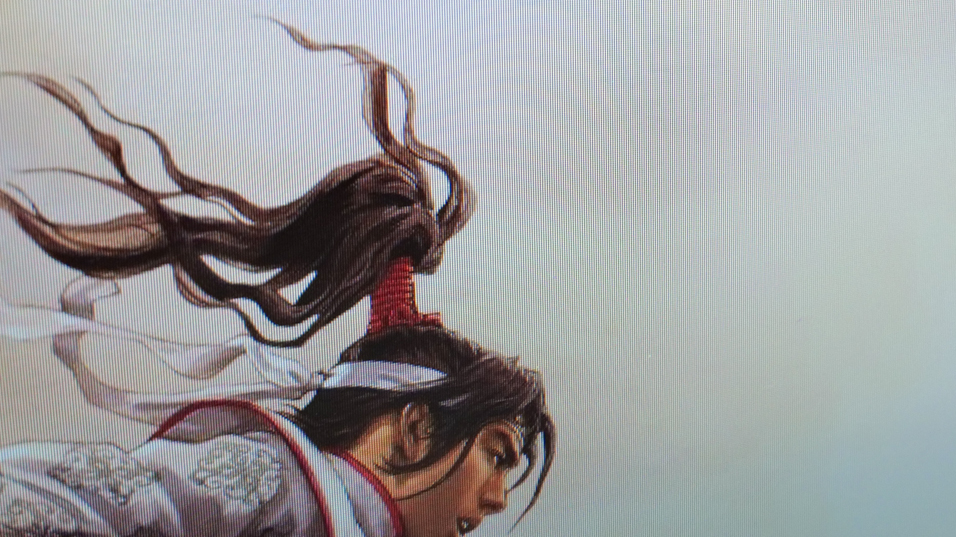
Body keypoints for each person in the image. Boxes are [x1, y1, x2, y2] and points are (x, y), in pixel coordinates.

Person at [0, 27, 556, 537]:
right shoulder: (278, 484)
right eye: (496, 455)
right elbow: (36, 500)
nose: (498, 499)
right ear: (416, 430)